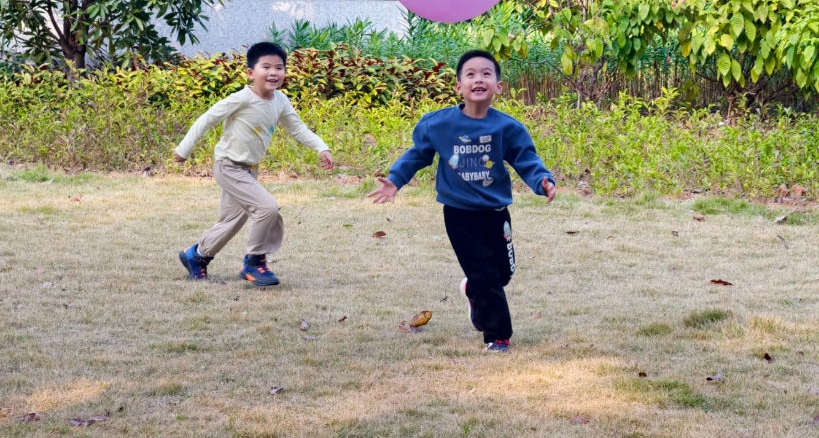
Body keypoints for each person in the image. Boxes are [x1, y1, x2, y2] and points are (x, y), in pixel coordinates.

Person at [369, 50, 556, 353]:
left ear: (498, 86)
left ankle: (471, 291)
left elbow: (526, 158)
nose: (478, 79)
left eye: (486, 74)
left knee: (502, 274)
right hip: (459, 214)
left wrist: (541, 181)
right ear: (458, 86)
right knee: (484, 272)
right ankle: (497, 336)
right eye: (470, 74)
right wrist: (396, 179)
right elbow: (418, 154)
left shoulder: (507, 128)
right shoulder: (438, 124)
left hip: (496, 212)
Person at [174, 42, 334, 286]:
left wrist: (322, 147)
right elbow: (207, 120)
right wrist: (183, 150)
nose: (273, 72)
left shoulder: (280, 101)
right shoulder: (241, 99)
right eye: (266, 67)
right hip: (228, 166)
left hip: (249, 170)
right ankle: (255, 262)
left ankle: (196, 256)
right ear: (251, 73)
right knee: (267, 208)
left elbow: (298, 129)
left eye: (279, 67)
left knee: (230, 222)